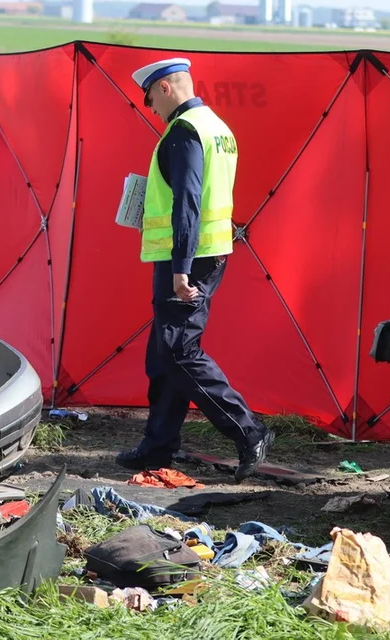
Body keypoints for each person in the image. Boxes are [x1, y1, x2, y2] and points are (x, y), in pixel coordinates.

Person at [115, 57, 274, 483]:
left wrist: (180, 270)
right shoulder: (217, 128)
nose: (150, 108)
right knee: (163, 355)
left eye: (150, 98)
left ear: (165, 88)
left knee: (179, 352)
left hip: (187, 258)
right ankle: (157, 447)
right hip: (207, 250)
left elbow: (187, 203)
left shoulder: (185, 131)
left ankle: (250, 432)